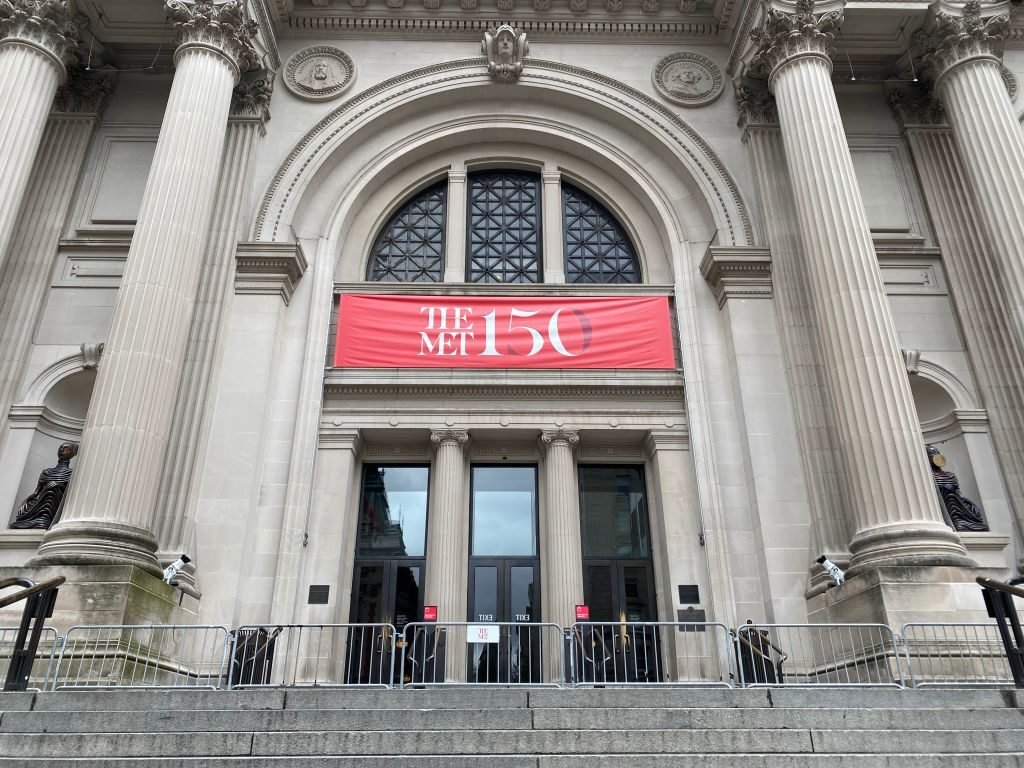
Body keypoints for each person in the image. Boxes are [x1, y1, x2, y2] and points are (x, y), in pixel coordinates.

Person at [10, 442, 78, 530]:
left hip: (55, 499)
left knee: (52, 492)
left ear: (72, 453)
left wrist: (58, 485)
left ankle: (44, 519)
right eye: (60, 448)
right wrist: (25, 501)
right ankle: (35, 520)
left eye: (66, 448)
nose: (62, 450)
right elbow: (36, 493)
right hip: (40, 498)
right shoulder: (47, 471)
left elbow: (69, 492)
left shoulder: (71, 473)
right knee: (24, 510)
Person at [927, 445, 988, 532]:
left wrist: (952, 487)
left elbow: (958, 491)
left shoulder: (950, 475)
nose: (934, 456)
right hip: (940, 500)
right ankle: (956, 522)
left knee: (961, 501)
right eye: (931, 454)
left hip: (956, 500)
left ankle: (961, 521)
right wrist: (943, 488)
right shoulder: (928, 476)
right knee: (949, 496)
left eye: (935, 453)